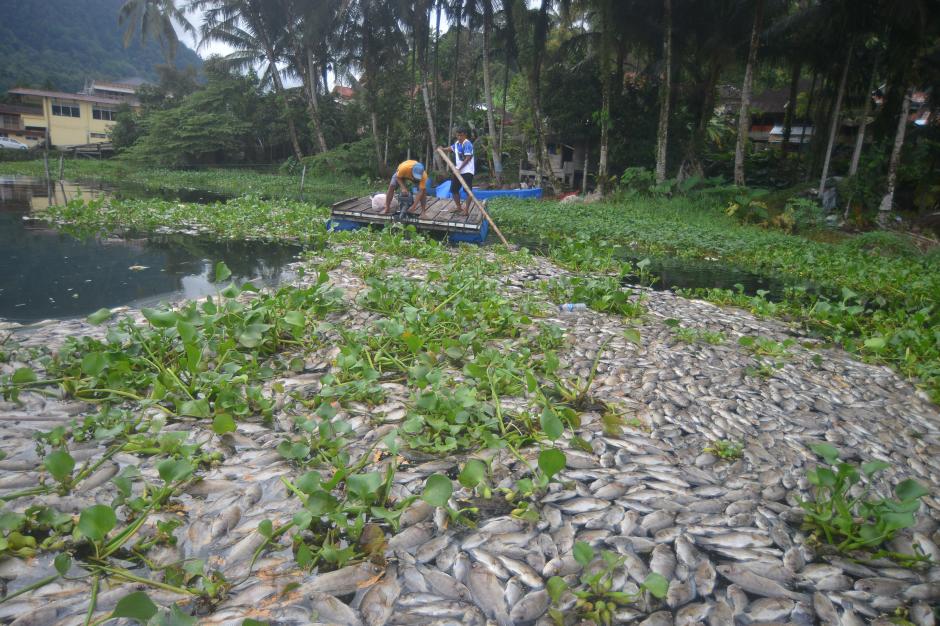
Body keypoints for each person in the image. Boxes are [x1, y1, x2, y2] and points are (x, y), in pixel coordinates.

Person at [439, 128, 474, 215]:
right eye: (458, 135)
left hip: (467, 171)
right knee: (454, 190)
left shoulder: (467, 144)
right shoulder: (457, 144)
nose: (459, 137)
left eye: (461, 135)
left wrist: (459, 169)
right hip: (458, 171)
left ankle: (466, 211)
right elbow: (451, 148)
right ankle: (459, 207)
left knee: (468, 191)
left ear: (465, 135)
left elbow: (468, 158)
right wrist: (442, 149)